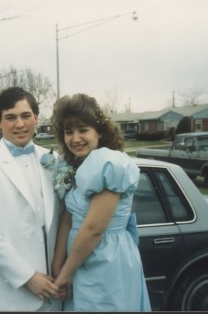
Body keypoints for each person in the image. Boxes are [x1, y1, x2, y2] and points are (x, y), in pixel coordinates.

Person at [51, 93, 151, 311]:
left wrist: (65, 273)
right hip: (78, 260)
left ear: (100, 132)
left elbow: (94, 229)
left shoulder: (108, 162)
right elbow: (68, 218)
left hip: (106, 259)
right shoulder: (77, 165)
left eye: (83, 130)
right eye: (69, 132)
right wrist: (58, 266)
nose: (75, 138)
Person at [0, 87, 61, 311]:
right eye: (10, 117)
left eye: (26, 116)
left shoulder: (53, 160)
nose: (20, 124)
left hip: (53, 291)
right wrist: (28, 277)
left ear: (36, 118)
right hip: (8, 294)